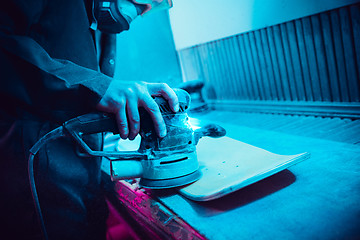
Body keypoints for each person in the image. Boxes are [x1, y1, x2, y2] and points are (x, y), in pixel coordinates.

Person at [0, 0, 177, 239]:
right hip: (36, 174)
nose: (145, 9)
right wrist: (98, 87)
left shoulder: (97, 22)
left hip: (84, 173)